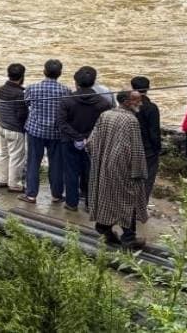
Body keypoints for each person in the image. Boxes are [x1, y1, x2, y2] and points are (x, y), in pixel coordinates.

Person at [86, 91, 149, 248]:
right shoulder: (131, 120)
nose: (140, 104)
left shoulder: (105, 115)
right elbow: (136, 150)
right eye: (137, 101)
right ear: (127, 102)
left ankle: (105, 230)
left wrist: (100, 160)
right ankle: (129, 238)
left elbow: (91, 142)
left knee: (105, 198)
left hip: (103, 166)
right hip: (122, 169)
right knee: (127, 202)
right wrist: (139, 172)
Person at [57, 66, 112, 212]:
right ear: (94, 83)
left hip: (70, 141)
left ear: (76, 83)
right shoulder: (104, 104)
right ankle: (90, 204)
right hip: (93, 143)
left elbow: (62, 123)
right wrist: (88, 137)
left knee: (71, 172)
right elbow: (104, 125)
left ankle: (71, 203)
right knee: (91, 172)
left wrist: (77, 137)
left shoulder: (67, 101)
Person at [21, 59, 71, 204]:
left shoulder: (32, 88)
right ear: (60, 74)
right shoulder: (66, 91)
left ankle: (31, 195)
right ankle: (56, 195)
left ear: (44, 72)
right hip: (56, 133)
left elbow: (27, 104)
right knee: (56, 164)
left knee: (33, 163)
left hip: (35, 131)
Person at [0, 63, 29, 192]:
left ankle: (1, 180)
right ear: (22, 77)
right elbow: (22, 114)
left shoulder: (0, 89)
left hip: (2, 126)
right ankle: (14, 184)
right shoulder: (20, 93)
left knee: (3, 154)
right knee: (16, 157)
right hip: (15, 130)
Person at [131, 76, 163, 203]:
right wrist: (158, 149)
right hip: (147, 150)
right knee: (147, 179)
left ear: (132, 88)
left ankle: (128, 204)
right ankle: (140, 207)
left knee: (131, 177)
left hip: (131, 147)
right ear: (148, 88)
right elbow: (154, 132)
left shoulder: (127, 105)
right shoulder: (151, 107)